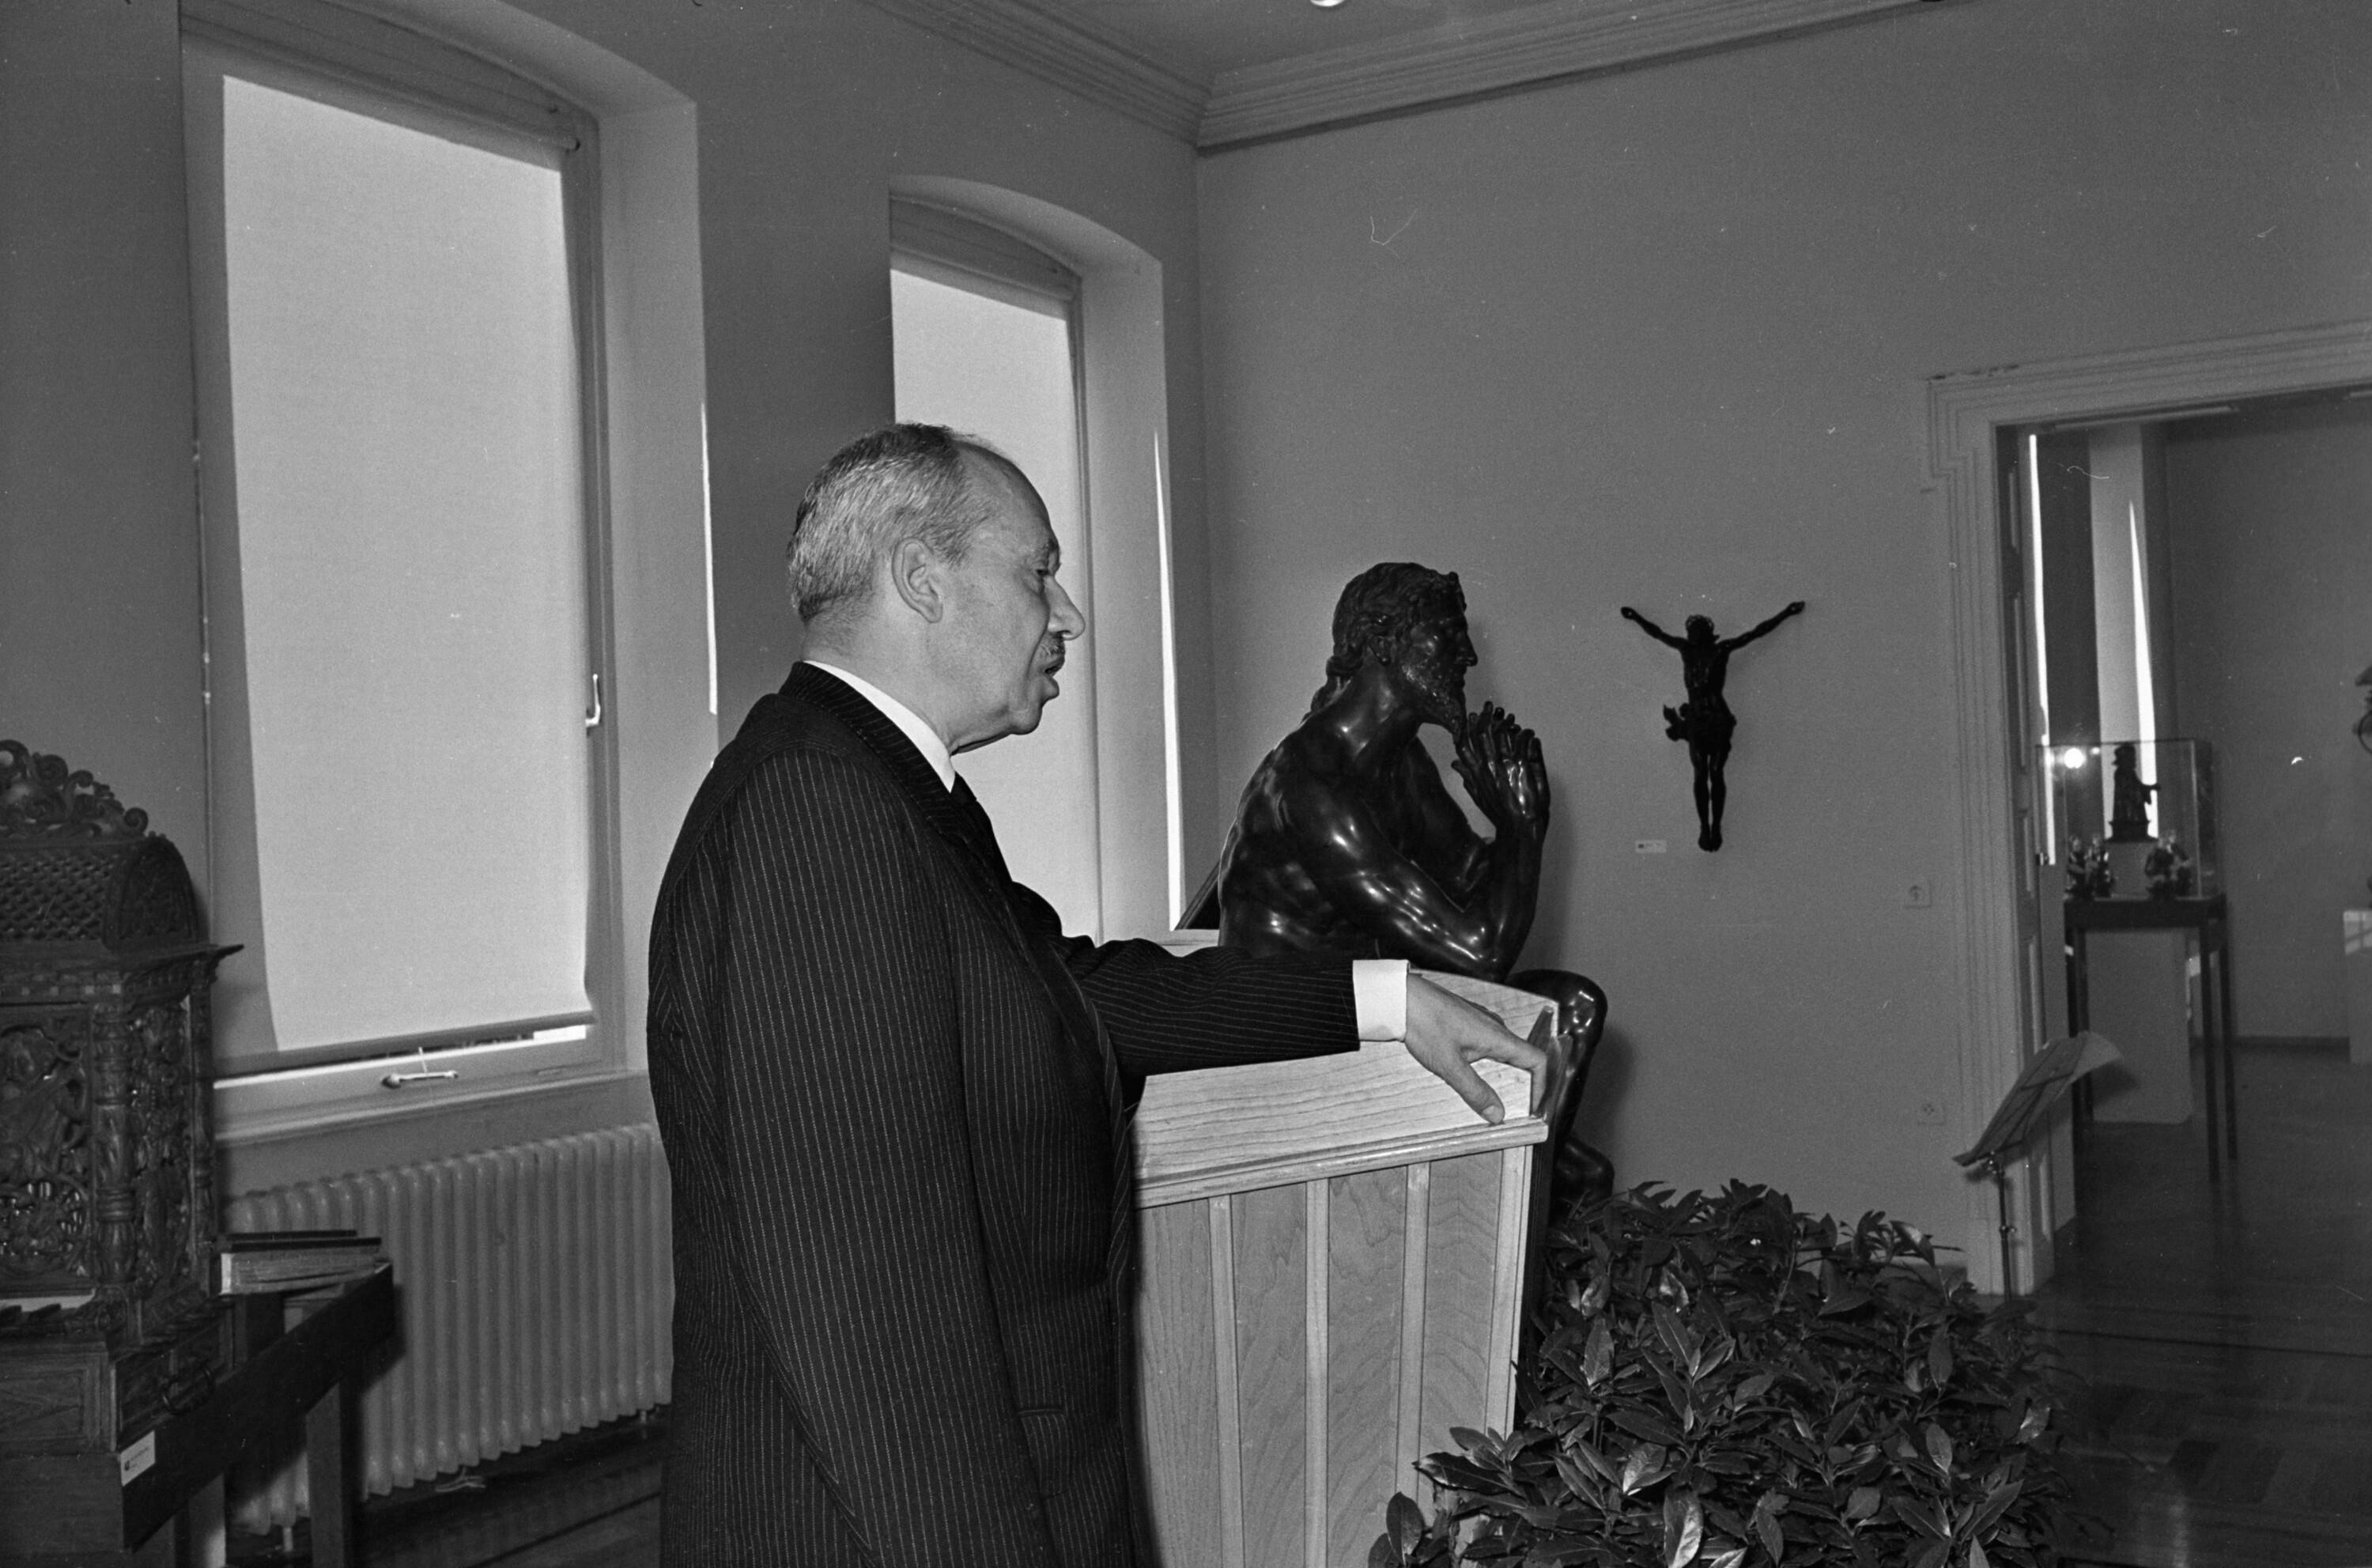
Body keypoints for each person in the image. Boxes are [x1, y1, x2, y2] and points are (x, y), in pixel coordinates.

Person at [644, 425, 1543, 1566]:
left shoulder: (878, 790)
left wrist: (1383, 998)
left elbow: (1068, 993)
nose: (1065, 614)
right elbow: (873, 1322)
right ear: (922, 578)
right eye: (1038, 572)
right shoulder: (820, 813)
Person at [1211, 561, 1610, 1204]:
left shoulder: (1400, 763)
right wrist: (1523, 828)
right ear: (1384, 641)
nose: (1468, 654)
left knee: (1573, 1016)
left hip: (1372, 1021)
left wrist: (1513, 826)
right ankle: (1499, 1218)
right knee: (1572, 1088)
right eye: (1447, 634)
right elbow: (1481, 952)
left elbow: (1471, 882)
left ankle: (1513, 1207)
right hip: (1296, 1059)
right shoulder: (1316, 784)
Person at [1619, 599, 1804, 851]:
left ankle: (1715, 826)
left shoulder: (1720, 649)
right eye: (1692, 631)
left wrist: (1786, 613)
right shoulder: (1686, 649)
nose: (1693, 635)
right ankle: (1704, 828)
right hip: (1697, 720)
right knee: (1701, 774)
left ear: (1707, 633)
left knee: (1715, 774)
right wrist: (1637, 618)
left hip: (1717, 720)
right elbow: (1658, 634)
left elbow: (1757, 632)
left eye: (1698, 630)